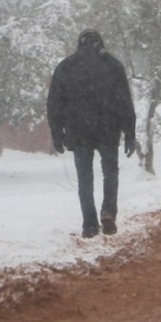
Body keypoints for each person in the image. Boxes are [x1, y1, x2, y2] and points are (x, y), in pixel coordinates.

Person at [47, 29, 137, 238]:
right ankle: (108, 212)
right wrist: (129, 131)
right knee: (110, 173)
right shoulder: (113, 66)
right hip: (108, 129)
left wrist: (57, 132)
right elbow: (124, 101)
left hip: (79, 132)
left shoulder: (66, 67)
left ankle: (89, 223)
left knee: (85, 179)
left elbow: (54, 103)